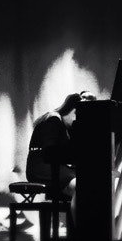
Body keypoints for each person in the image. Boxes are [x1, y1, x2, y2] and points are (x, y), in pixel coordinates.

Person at [26, 92, 95, 221]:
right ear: (72, 110)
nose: (77, 120)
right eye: (77, 115)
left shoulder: (65, 125)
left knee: (91, 182)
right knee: (81, 185)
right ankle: (80, 228)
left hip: (54, 165)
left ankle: (84, 225)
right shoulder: (52, 120)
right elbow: (50, 151)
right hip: (40, 166)